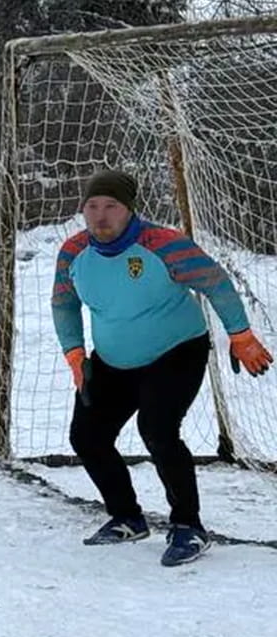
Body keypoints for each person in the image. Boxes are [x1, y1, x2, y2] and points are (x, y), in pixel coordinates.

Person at [54, 168, 271, 566]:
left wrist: (240, 335)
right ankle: (127, 518)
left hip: (176, 351)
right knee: (87, 436)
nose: (101, 216)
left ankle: (188, 527)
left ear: (128, 209)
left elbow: (216, 283)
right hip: (112, 360)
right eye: (92, 206)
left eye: (111, 206)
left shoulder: (162, 244)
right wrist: (74, 353)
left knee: (157, 429)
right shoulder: (73, 253)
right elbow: (64, 303)